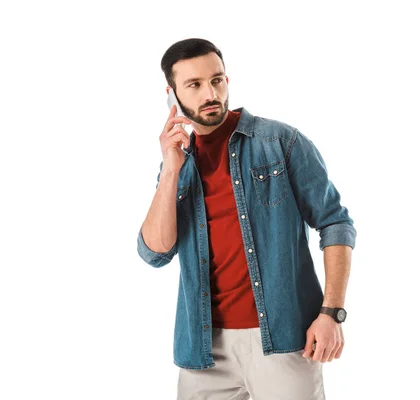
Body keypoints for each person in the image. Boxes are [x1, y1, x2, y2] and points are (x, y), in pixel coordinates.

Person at [137, 38, 357, 400]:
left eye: (217, 80)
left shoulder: (280, 142)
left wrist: (332, 313)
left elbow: (335, 223)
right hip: (203, 349)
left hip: (284, 339)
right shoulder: (177, 165)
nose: (211, 92)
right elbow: (155, 252)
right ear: (172, 93)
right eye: (194, 85)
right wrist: (170, 171)